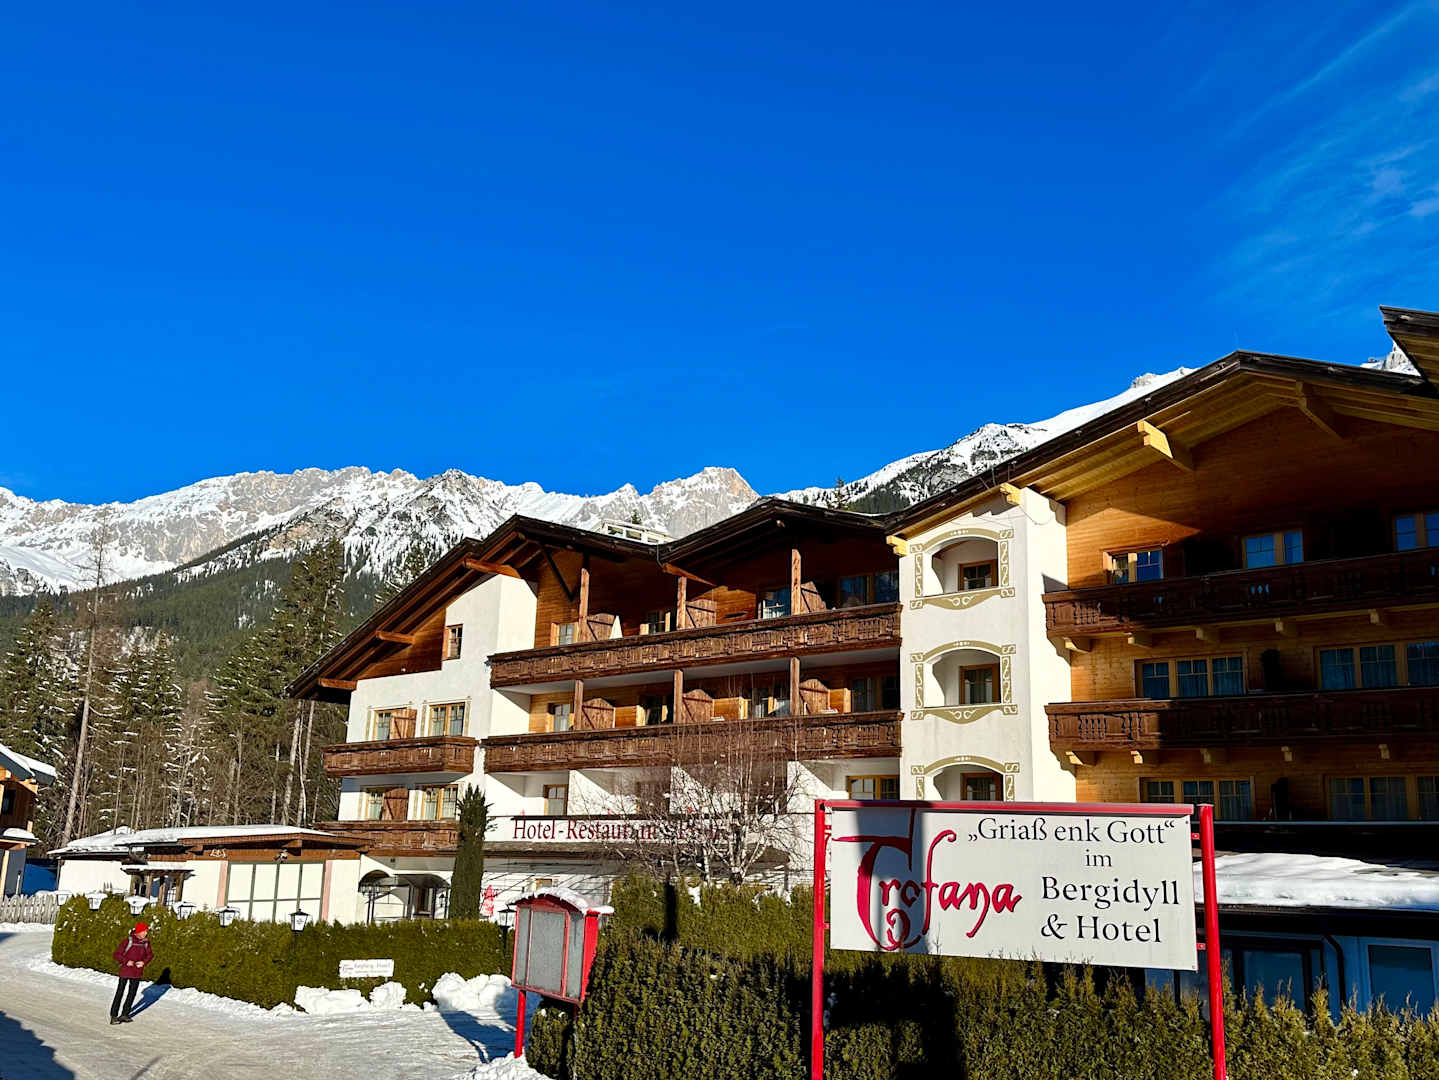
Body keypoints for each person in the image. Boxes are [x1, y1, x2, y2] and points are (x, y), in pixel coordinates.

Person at [110, 921, 152, 1024]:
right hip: (125, 970)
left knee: (132, 994)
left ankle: (125, 1014)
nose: (145, 933)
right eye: (144, 931)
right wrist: (126, 961)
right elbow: (116, 954)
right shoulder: (128, 941)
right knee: (120, 993)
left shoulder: (146, 943)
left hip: (137, 972)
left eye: (146, 931)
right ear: (138, 932)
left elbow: (150, 955)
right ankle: (114, 1016)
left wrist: (143, 962)